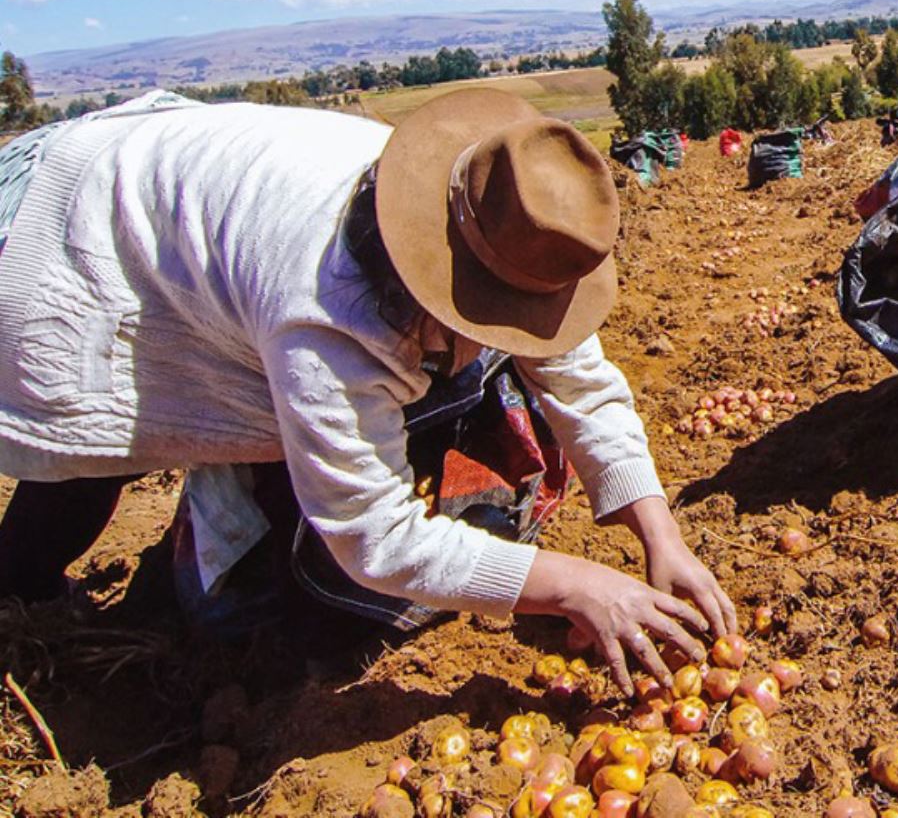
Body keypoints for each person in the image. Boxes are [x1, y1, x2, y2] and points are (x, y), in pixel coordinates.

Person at [0, 89, 733, 691]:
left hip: (186, 212)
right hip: (72, 232)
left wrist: (658, 535)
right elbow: (374, 537)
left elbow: (580, 377)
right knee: (93, 445)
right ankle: (24, 602)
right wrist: (575, 585)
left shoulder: (500, 219)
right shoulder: (327, 308)